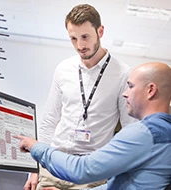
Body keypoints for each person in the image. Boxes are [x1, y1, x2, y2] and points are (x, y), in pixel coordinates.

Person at [24, 4, 136, 190]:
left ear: (100, 31)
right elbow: (50, 120)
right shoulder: (63, 69)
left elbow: (128, 129)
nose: (80, 46)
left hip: (91, 172)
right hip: (53, 164)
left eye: (85, 37)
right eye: (73, 38)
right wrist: (34, 167)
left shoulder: (123, 74)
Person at [16, 62, 171, 189]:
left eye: (130, 86)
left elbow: (81, 170)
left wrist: (35, 147)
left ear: (150, 90)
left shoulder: (143, 134)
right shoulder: (164, 132)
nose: (125, 93)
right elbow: (119, 185)